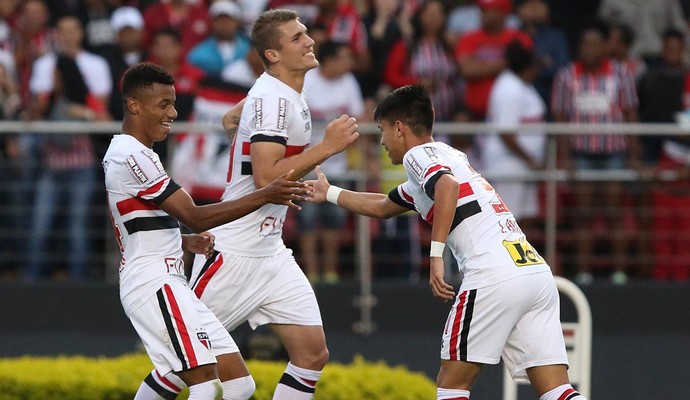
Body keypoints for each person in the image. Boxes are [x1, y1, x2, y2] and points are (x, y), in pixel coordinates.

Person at [305, 84, 585, 400]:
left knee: (451, 386)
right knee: (557, 389)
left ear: (399, 128)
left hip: (492, 275)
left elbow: (447, 187)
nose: (382, 141)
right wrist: (329, 193)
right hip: (532, 272)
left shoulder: (417, 155)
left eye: (382, 130)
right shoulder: (450, 156)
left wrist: (435, 255)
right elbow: (384, 206)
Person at [142, 9, 360, 400]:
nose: (310, 41)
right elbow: (265, 177)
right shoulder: (273, 98)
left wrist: (246, 134)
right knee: (181, 368)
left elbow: (232, 118)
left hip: (270, 250)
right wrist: (326, 148)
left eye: (306, 33)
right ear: (273, 54)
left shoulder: (277, 92)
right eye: (297, 38)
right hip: (234, 252)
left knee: (312, 355)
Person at [104, 62, 308, 400]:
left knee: (239, 385)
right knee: (205, 385)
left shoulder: (140, 155)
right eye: (163, 105)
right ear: (134, 105)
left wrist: (182, 240)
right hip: (154, 282)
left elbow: (136, 223)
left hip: (169, 280)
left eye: (172, 103)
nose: (173, 112)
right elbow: (195, 215)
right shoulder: (130, 154)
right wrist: (264, 195)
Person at [551, 21, 639, 285]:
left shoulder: (621, 74)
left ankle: (620, 273)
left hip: (614, 153)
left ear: (604, 46)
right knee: (584, 216)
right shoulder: (567, 75)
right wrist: (564, 157)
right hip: (581, 153)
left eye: (594, 43)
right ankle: (585, 274)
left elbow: (631, 113)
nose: (588, 48)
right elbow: (560, 117)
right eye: (584, 44)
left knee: (615, 213)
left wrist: (634, 154)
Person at [482, 40, 545, 238]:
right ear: (528, 67)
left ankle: (525, 267)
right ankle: (507, 268)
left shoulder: (521, 85)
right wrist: (530, 159)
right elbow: (506, 133)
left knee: (526, 217)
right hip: (509, 164)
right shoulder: (509, 89)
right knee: (509, 220)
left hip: (523, 167)